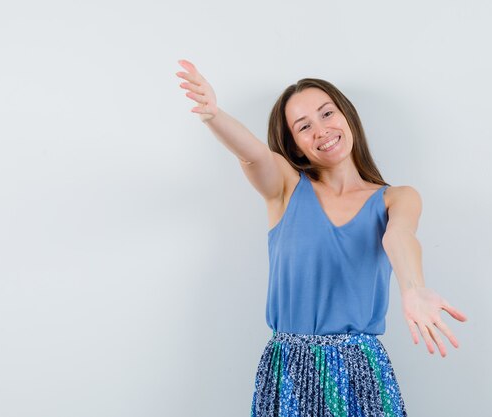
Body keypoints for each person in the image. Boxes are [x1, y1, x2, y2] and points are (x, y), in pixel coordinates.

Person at [176, 59, 468, 417]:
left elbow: (400, 237)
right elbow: (252, 155)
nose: (321, 130)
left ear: (346, 116)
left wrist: (413, 288)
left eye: (327, 113)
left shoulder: (397, 197)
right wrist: (213, 116)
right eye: (304, 126)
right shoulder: (286, 187)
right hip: (289, 371)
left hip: (359, 371)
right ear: (295, 145)